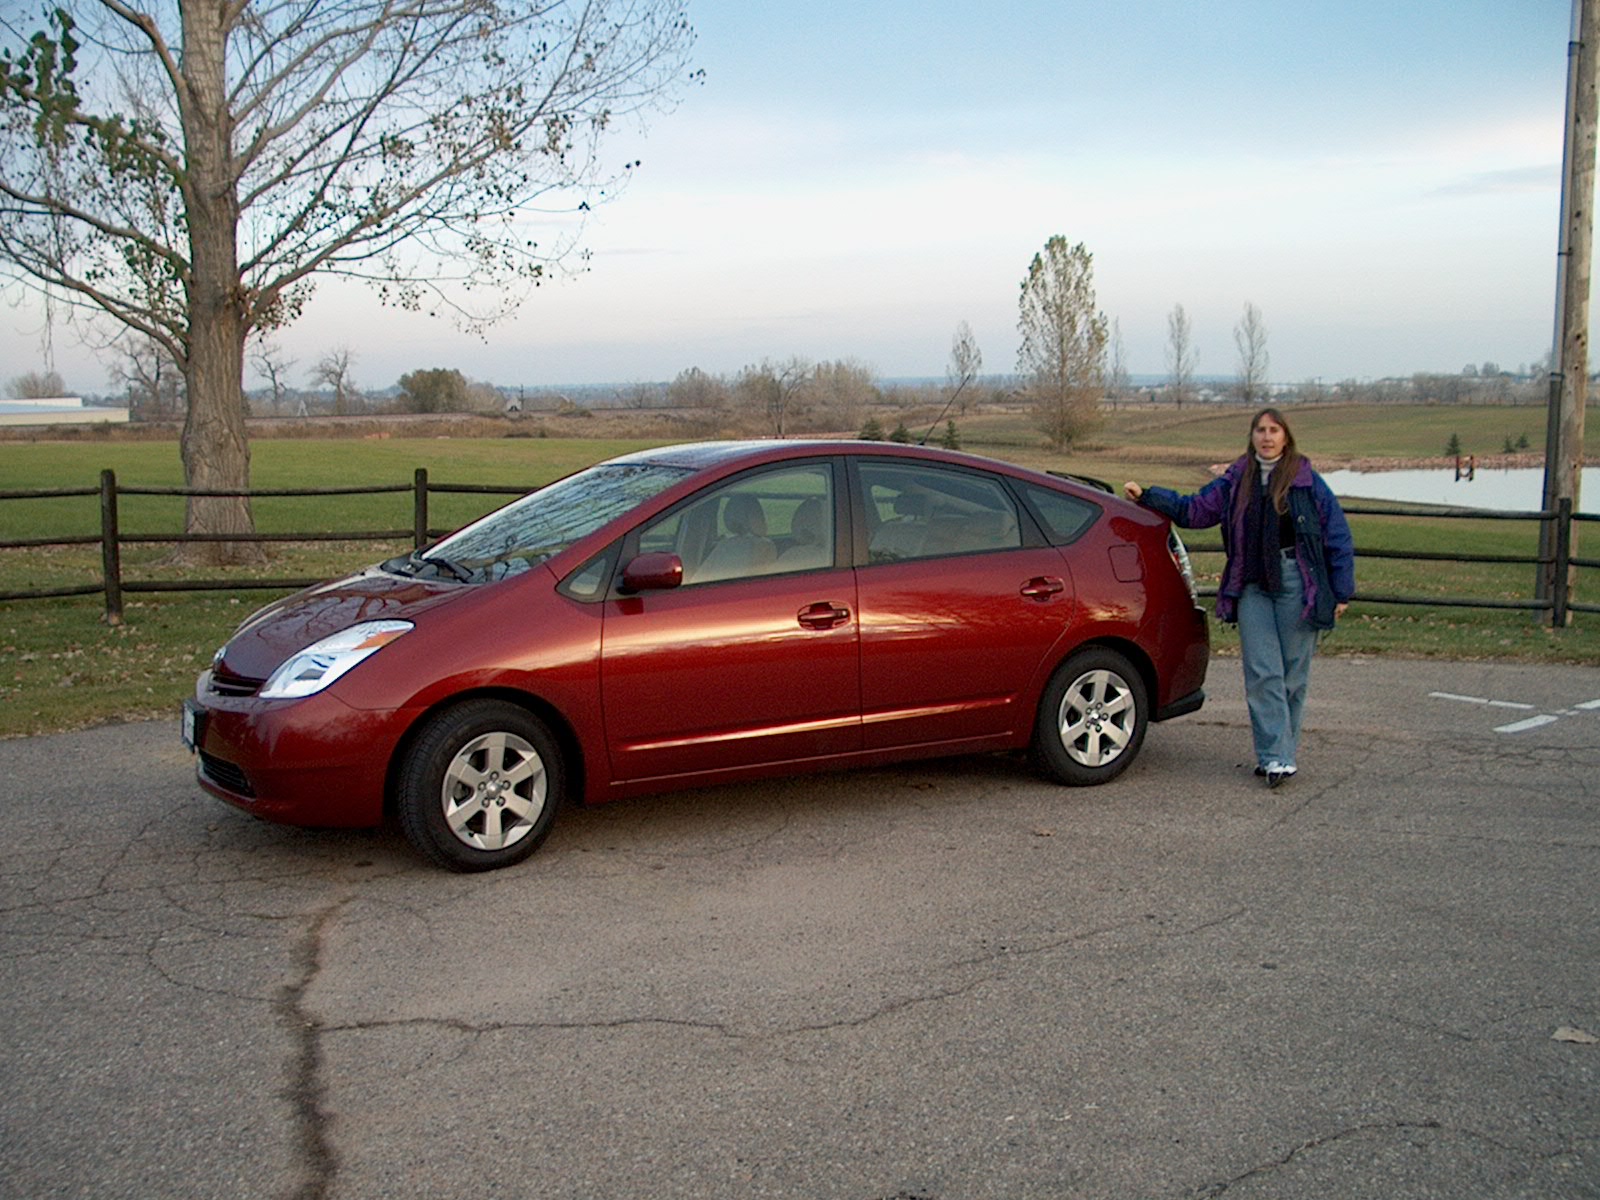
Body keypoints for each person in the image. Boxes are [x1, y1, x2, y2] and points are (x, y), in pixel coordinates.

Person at [1124, 408, 1355, 788]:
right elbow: (1195, 510)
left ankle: (1283, 751)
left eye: (1274, 430)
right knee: (1263, 673)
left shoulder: (1306, 480)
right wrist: (1149, 496)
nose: (1266, 437)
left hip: (1298, 581)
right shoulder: (1237, 479)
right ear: (1252, 437)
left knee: (1292, 677)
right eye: (1260, 430)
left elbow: (1337, 536)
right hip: (1252, 584)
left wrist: (1342, 590)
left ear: (1285, 436)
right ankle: (1275, 757)